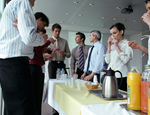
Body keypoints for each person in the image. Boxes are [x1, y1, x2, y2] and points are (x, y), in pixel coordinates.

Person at [0, 0, 48, 115]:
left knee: (13, 108)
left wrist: (25, 28)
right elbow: (29, 38)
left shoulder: (14, 4)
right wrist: (43, 39)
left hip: (9, 62)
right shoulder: (23, 1)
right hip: (16, 62)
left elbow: (26, 35)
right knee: (23, 109)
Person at [29, 12, 55, 115]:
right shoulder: (32, 31)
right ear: (39, 19)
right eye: (43, 25)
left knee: (37, 94)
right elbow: (35, 48)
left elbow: (37, 49)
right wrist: (47, 41)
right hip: (33, 66)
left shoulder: (34, 31)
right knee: (35, 95)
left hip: (36, 66)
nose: (43, 27)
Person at [104, 23, 133, 91]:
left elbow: (125, 60)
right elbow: (107, 61)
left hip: (121, 76)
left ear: (121, 32)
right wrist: (109, 46)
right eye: (111, 34)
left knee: (120, 98)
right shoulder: (112, 45)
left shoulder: (127, 44)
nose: (112, 36)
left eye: (114, 33)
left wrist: (117, 46)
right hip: (111, 76)